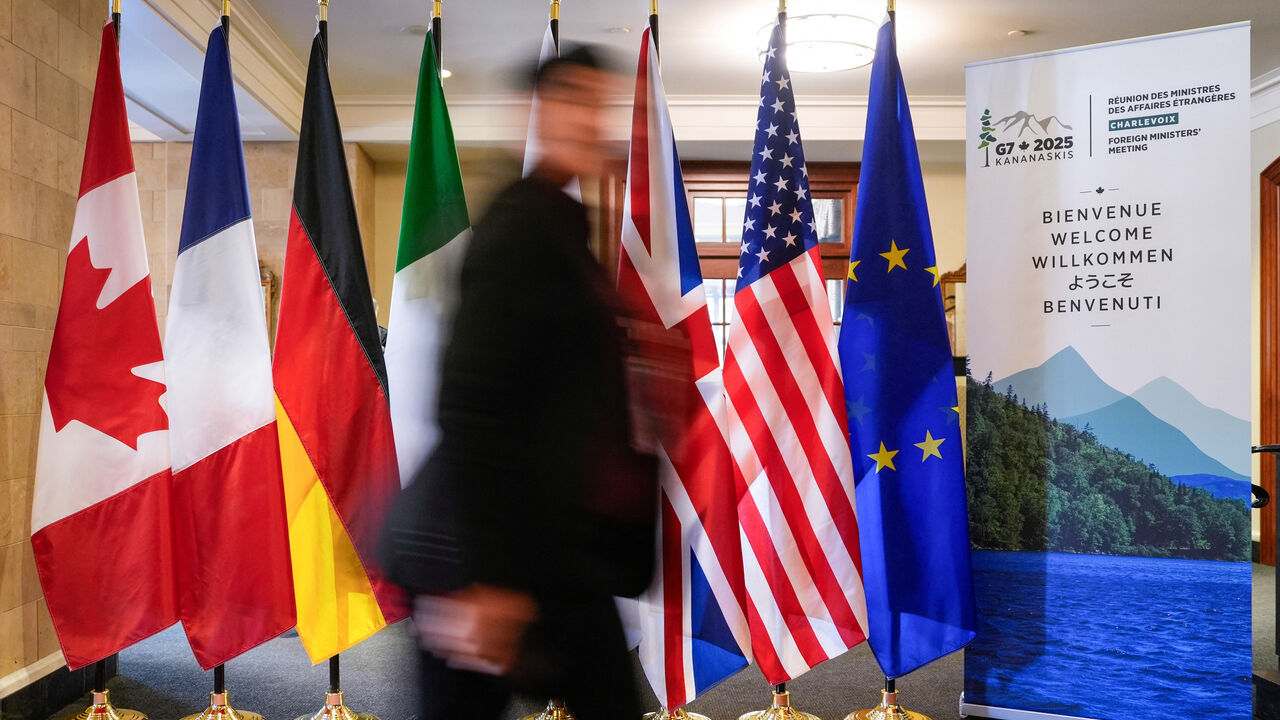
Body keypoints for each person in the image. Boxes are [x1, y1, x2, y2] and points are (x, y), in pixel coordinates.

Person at [381, 46, 658, 720]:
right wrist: (486, 582)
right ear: (534, 113)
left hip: (559, 555)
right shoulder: (518, 228)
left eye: (599, 104)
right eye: (573, 101)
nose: (590, 120)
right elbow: (473, 405)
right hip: (488, 564)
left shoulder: (564, 228)